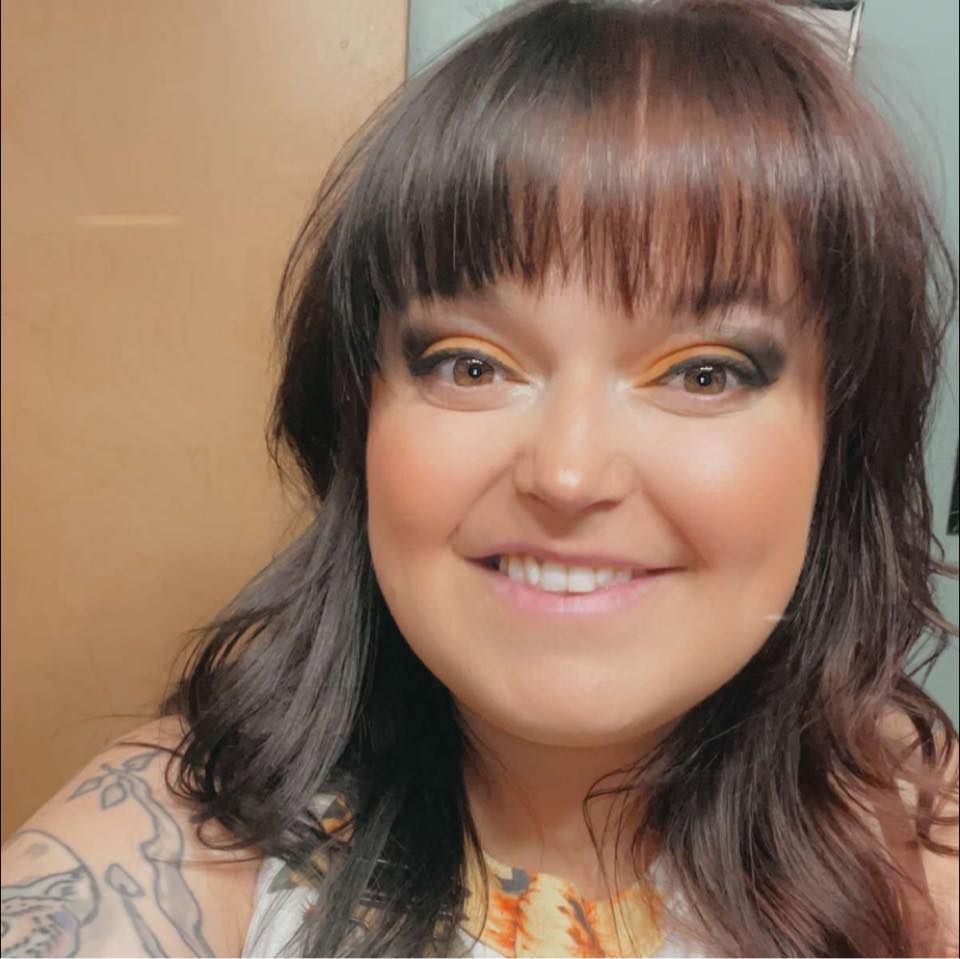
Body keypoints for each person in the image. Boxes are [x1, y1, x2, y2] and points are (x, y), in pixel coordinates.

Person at [3, 0, 959, 955]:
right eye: (471, 364)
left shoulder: (907, 815)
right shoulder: (174, 842)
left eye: (703, 373)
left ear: (842, 438)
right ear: (358, 416)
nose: (569, 472)